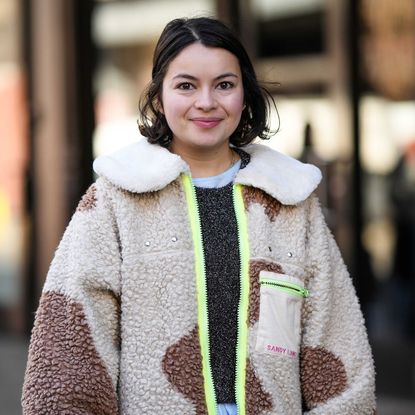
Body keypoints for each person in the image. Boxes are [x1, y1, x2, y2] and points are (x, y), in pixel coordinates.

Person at [22, 17, 376, 415]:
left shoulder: (290, 199)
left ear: (244, 95)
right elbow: (68, 354)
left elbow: (340, 351)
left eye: (224, 85)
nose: (206, 102)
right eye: (186, 85)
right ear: (158, 97)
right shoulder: (115, 198)